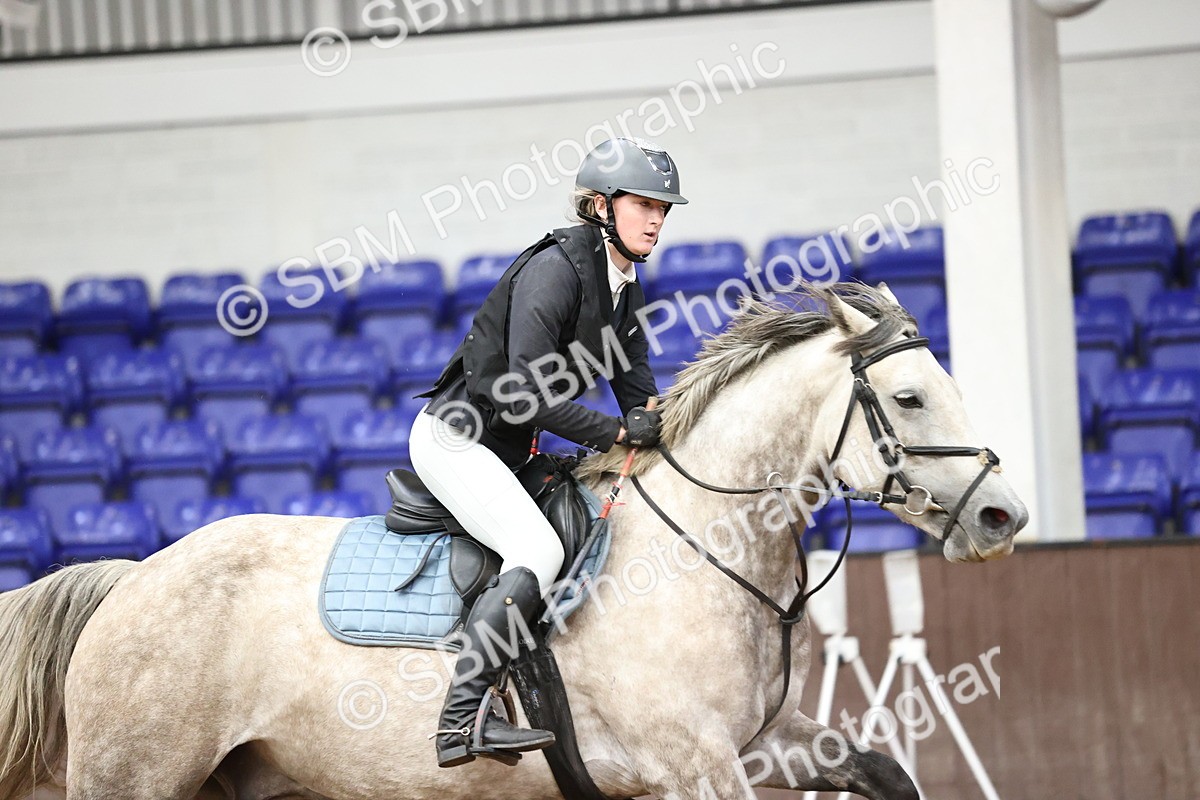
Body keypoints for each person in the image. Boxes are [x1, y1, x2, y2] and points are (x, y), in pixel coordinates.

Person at [409, 137, 686, 768]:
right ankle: (460, 721)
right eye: (644, 204)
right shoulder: (556, 270)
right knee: (538, 549)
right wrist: (615, 434)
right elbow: (524, 393)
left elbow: (637, 384)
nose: (657, 219)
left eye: (664, 208)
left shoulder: (622, 284)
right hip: (458, 438)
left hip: (509, 446)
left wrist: (650, 420)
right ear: (599, 205)